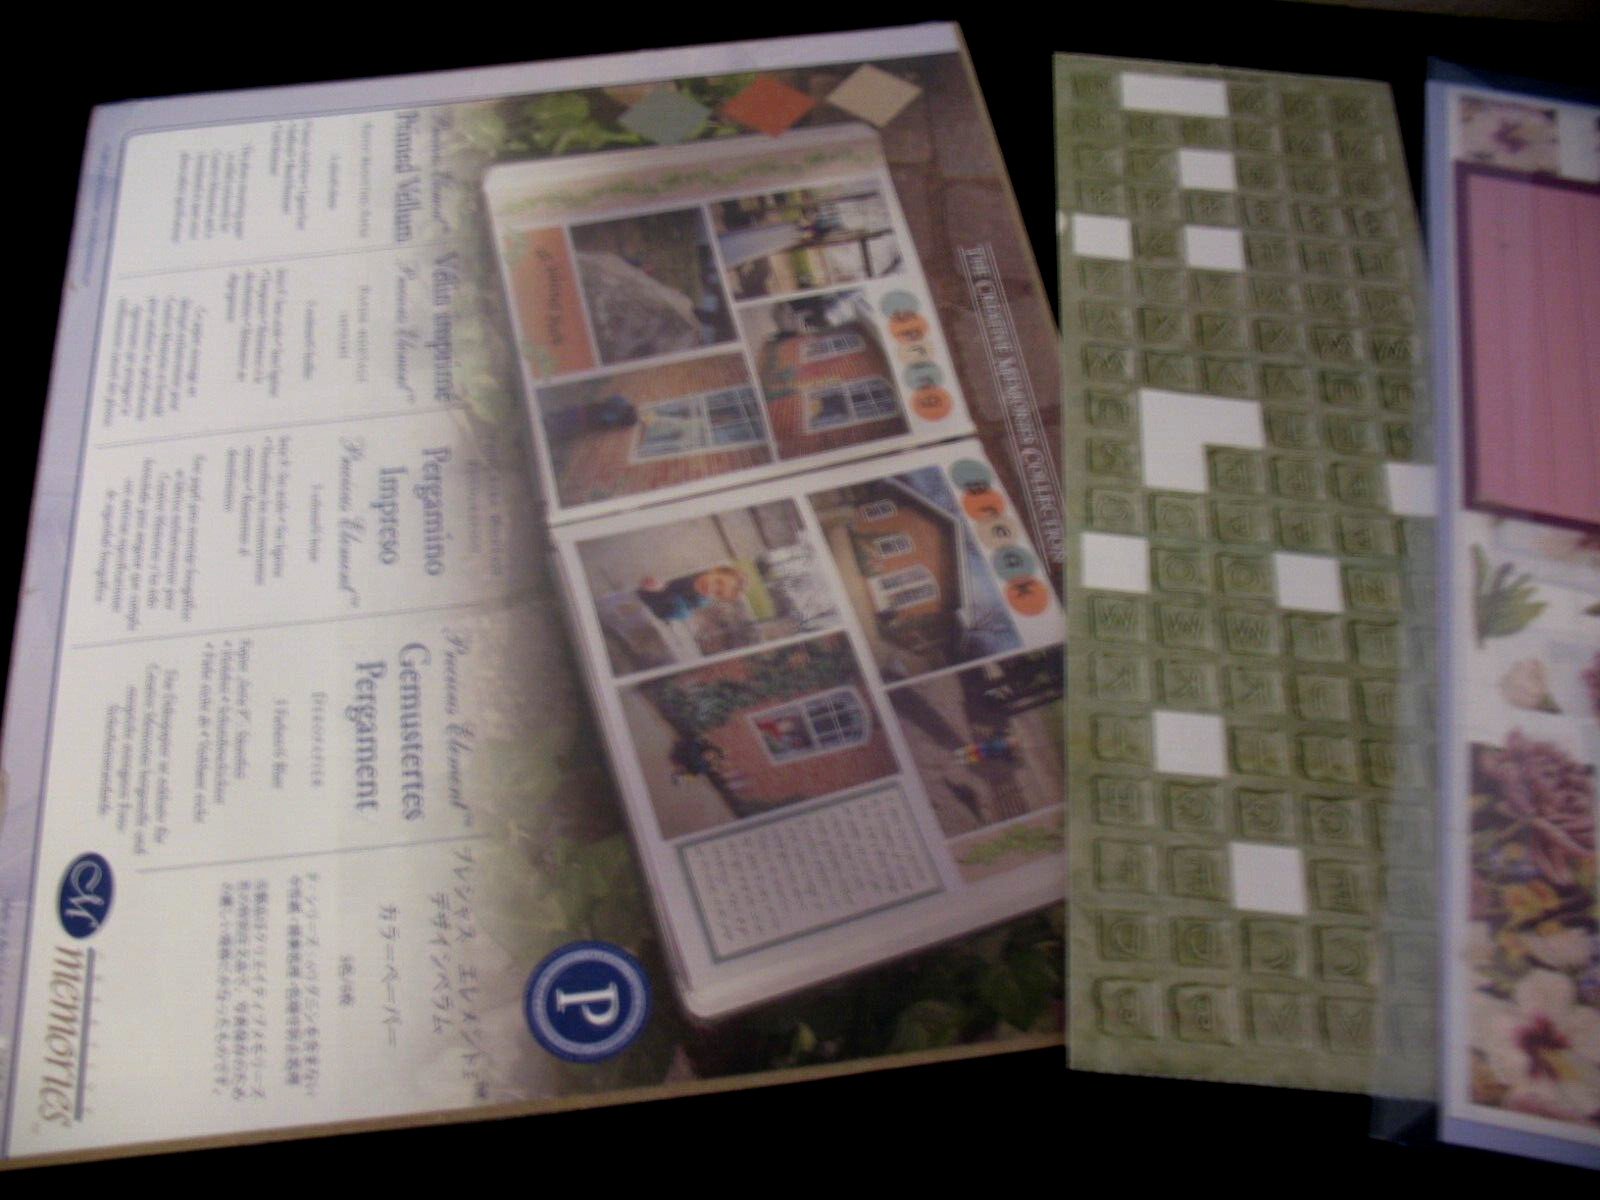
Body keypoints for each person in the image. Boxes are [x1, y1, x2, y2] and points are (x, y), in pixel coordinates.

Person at [636, 565, 748, 658]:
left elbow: (667, 612)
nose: (711, 588)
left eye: (718, 593)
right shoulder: (696, 566)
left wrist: (662, 590)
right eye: (718, 581)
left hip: (648, 595)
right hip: (650, 570)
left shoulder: (698, 600)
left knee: (682, 613)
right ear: (715, 570)